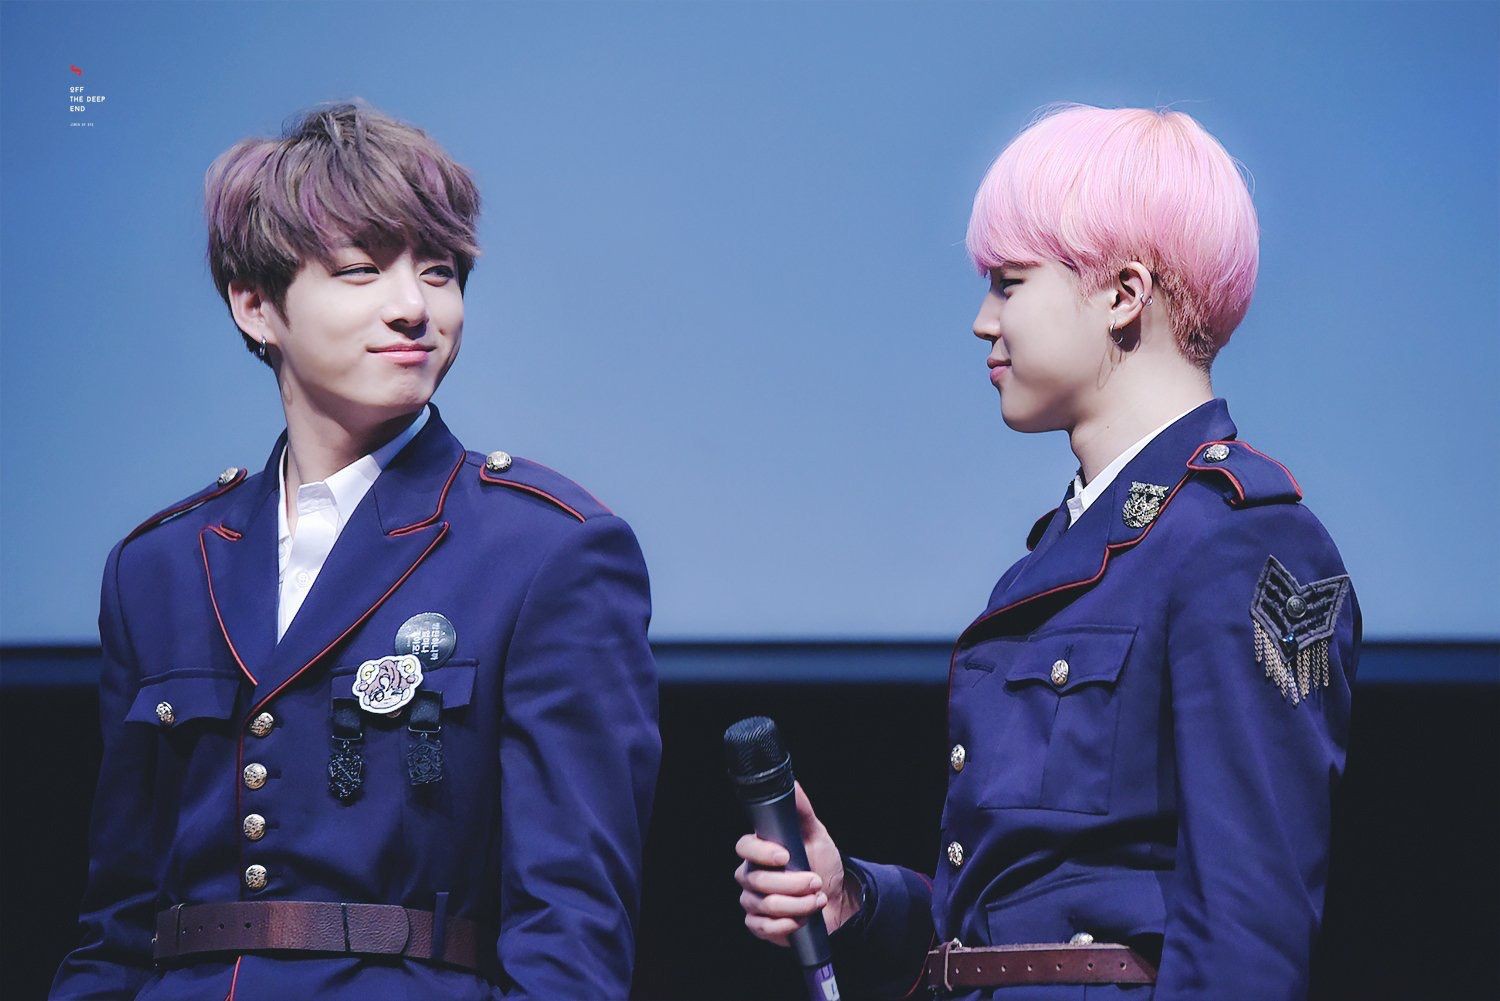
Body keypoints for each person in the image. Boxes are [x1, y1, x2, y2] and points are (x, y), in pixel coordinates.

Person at [733, 103, 1361, 999]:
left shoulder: (1244, 542)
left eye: (1009, 281)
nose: (982, 320)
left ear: (1123, 293)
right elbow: (1017, 917)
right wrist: (855, 899)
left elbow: (1247, 936)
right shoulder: (1063, 554)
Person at [51, 100, 660, 1000]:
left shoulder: (546, 551)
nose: (413, 307)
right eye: (361, 270)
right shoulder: (158, 567)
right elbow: (116, 925)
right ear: (256, 305)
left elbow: (571, 934)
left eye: (439, 271)